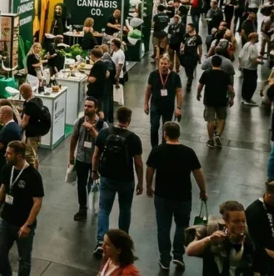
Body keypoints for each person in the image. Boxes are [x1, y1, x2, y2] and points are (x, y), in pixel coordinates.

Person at [146, 121, 207, 271]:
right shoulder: (188, 152)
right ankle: (178, 256)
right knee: (182, 226)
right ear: (178, 134)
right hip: (183, 196)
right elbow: (198, 173)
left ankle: (165, 259)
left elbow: (150, 170)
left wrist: (148, 186)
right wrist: (203, 191)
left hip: (162, 195)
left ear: (164, 134)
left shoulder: (158, 150)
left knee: (163, 227)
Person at [93, 106, 144, 257]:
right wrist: (141, 182)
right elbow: (139, 163)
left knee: (104, 209)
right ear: (129, 120)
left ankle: (101, 241)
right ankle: (123, 240)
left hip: (107, 177)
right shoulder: (133, 138)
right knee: (125, 209)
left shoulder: (104, 133)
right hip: (126, 179)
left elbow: (96, 155)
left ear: (116, 117)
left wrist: (94, 172)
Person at [0, 140, 44, 276]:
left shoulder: (33, 175)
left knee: (24, 259)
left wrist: (28, 225)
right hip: (6, 219)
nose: (5, 155)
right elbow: (3, 187)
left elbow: (37, 202)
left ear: (19, 156)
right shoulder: (7, 168)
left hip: (23, 223)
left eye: (9, 153)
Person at [187, 200, 257, 276]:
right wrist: (210, 239)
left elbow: (257, 266)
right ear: (225, 222)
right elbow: (190, 251)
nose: (241, 225)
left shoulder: (248, 238)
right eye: (236, 221)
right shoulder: (215, 235)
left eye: (243, 221)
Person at [69, 97, 108, 221]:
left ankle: (95, 206)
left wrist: (91, 129)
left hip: (95, 160)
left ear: (96, 108)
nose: (86, 108)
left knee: (92, 184)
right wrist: (71, 155)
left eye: (90, 106)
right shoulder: (79, 122)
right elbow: (74, 138)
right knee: (81, 184)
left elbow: (103, 142)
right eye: (85, 106)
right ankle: (82, 208)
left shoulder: (103, 124)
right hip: (81, 158)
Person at [142, 56, 183, 148]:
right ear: (159, 64)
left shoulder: (175, 76)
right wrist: (145, 104)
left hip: (168, 107)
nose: (163, 66)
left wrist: (179, 108)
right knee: (154, 127)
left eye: (165, 64)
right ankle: (155, 148)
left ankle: (164, 147)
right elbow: (148, 90)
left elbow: (179, 92)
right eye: (161, 64)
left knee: (166, 129)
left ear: (169, 64)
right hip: (155, 105)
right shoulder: (153, 75)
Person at [197, 55, 235, 148]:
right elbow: (230, 89)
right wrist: (232, 98)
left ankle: (210, 141)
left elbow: (200, 86)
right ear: (220, 64)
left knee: (210, 120)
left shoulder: (206, 73)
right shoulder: (225, 75)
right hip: (222, 100)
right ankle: (218, 134)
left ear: (211, 63)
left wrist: (198, 94)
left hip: (209, 100)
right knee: (221, 119)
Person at [245, 181, 274, 276]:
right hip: (263, 259)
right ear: (269, 195)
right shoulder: (255, 212)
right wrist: (266, 252)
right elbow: (251, 241)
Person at [0, 105, 22, 189]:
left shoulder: (7, 130)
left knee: (1, 184)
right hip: (11, 160)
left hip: (3, 163)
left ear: (5, 115)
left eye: (0, 113)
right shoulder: (14, 126)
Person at [18, 83, 42, 169]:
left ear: (23, 92)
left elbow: (24, 122)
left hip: (31, 135)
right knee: (34, 154)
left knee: (29, 157)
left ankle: (31, 175)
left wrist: (18, 129)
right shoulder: (37, 100)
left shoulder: (30, 105)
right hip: (37, 133)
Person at [89, 47, 114, 123]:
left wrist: (88, 78)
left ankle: (99, 123)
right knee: (100, 107)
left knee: (96, 109)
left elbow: (92, 80)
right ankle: (103, 122)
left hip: (95, 90)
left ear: (93, 55)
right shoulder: (103, 64)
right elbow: (107, 74)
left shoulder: (96, 65)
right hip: (102, 89)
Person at [240, 32, 261, 107]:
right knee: (252, 84)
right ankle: (248, 98)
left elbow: (240, 56)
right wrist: (261, 62)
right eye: (257, 37)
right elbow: (254, 59)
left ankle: (245, 97)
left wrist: (241, 65)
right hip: (251, 68)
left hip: (245, 67)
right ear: (253, 38)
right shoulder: (252, 47)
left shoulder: (246, 44)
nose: (258, 38)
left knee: (246, 83)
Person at [180, 23, 203, 89]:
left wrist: (200, 58)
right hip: (185, 54)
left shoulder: (197, 37)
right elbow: (182, 43)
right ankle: (189, 76)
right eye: (187, 27)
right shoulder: (185, 35)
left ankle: (189, 81)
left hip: (193, 55)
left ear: (193, 28)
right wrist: (181, 48)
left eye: (189, 27)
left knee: (190, 69)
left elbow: (200, 48)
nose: (187, 28)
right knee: (187, 68)